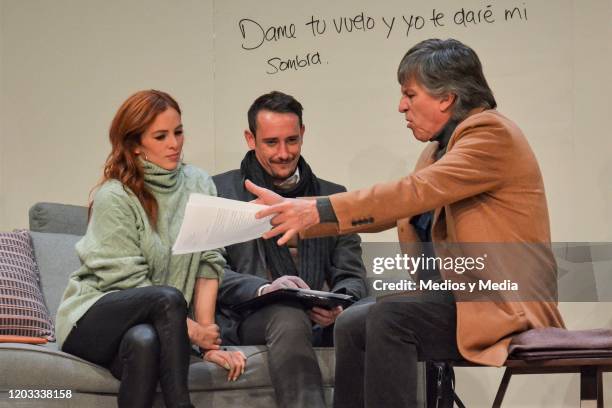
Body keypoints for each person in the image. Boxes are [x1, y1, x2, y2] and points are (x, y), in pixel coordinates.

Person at [245, 39, 565, 407]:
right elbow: (394, 210)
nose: (402, 106)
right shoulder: (437, 149)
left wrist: (315, 209)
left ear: (445, 97)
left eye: (410, 95)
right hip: (458, 302)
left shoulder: (491, 136)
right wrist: (304, 215)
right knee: (352, 321)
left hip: (506, 304)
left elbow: (413, 193)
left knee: (390, 318)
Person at [55, 90, 246, 408]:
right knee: (166, 296)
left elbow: (209, 262)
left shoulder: (198, 183)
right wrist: (194, 334)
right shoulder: (115, 196)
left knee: (144, 342)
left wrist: (209, 339)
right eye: (161, 136)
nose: (174, 143)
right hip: (91, 320)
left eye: (178, 132)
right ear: (135, 144)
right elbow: (129, 284)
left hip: (148, 326)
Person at [213, 91, 367, 408]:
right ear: (250, 138)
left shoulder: (332, 197)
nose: (284, 153)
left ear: (303, 135)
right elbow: (212, 273)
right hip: (248, 315)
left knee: (377, 314)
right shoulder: (218, 192)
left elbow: (351, 275)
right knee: (287, 313)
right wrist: (267, 289)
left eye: (292, 141)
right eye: (271, 142)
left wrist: (338, 304)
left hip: (320, 320)